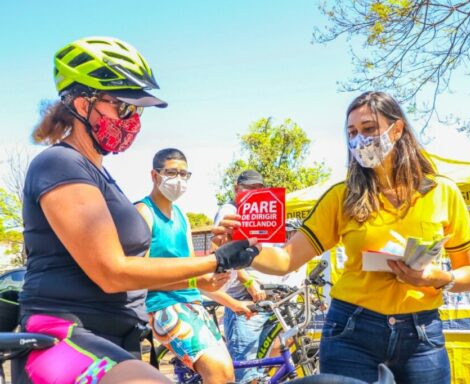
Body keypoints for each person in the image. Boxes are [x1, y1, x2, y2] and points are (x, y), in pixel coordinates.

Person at [17, 36, 259, 384]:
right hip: (64, 332)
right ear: (83, 104)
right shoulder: (59, 163)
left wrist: (198, 277)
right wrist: (216, 260)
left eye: (137, 111)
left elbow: (138, 269)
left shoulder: (99, 174)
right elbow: (111, 271)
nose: (133, 121)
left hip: (116, 335)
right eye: (124, 108)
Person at [213, 91, 470, 384]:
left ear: (398, 129)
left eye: (368, 129)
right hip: (351, 331)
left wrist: (435, 278)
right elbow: (286, 258)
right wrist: (242, 248)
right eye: (351, 132)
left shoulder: (443, 193)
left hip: (421, 336)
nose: (359, 140)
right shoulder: (342, 196)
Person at [135, 148, 254, 384]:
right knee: (218, 370)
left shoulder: (181, 216)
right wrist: (195, 281)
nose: (178, 179)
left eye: (184, 174)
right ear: (154, 175)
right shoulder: (143, 212)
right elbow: (139, 276)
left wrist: (233, 303)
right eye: (171, 172)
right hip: (163, 306)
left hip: (193, 305)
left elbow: (196, 274)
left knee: (227, 372)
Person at [214, 169, 285, 383]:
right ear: (237, 189)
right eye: (249, 188)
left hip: (270, 301)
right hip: (245, 302)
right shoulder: (229, 210)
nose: (255, 192)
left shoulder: (267, 210)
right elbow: (226, 252)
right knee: (245, 372)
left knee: (265, 368)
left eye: (258, 188)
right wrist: (249, 281)